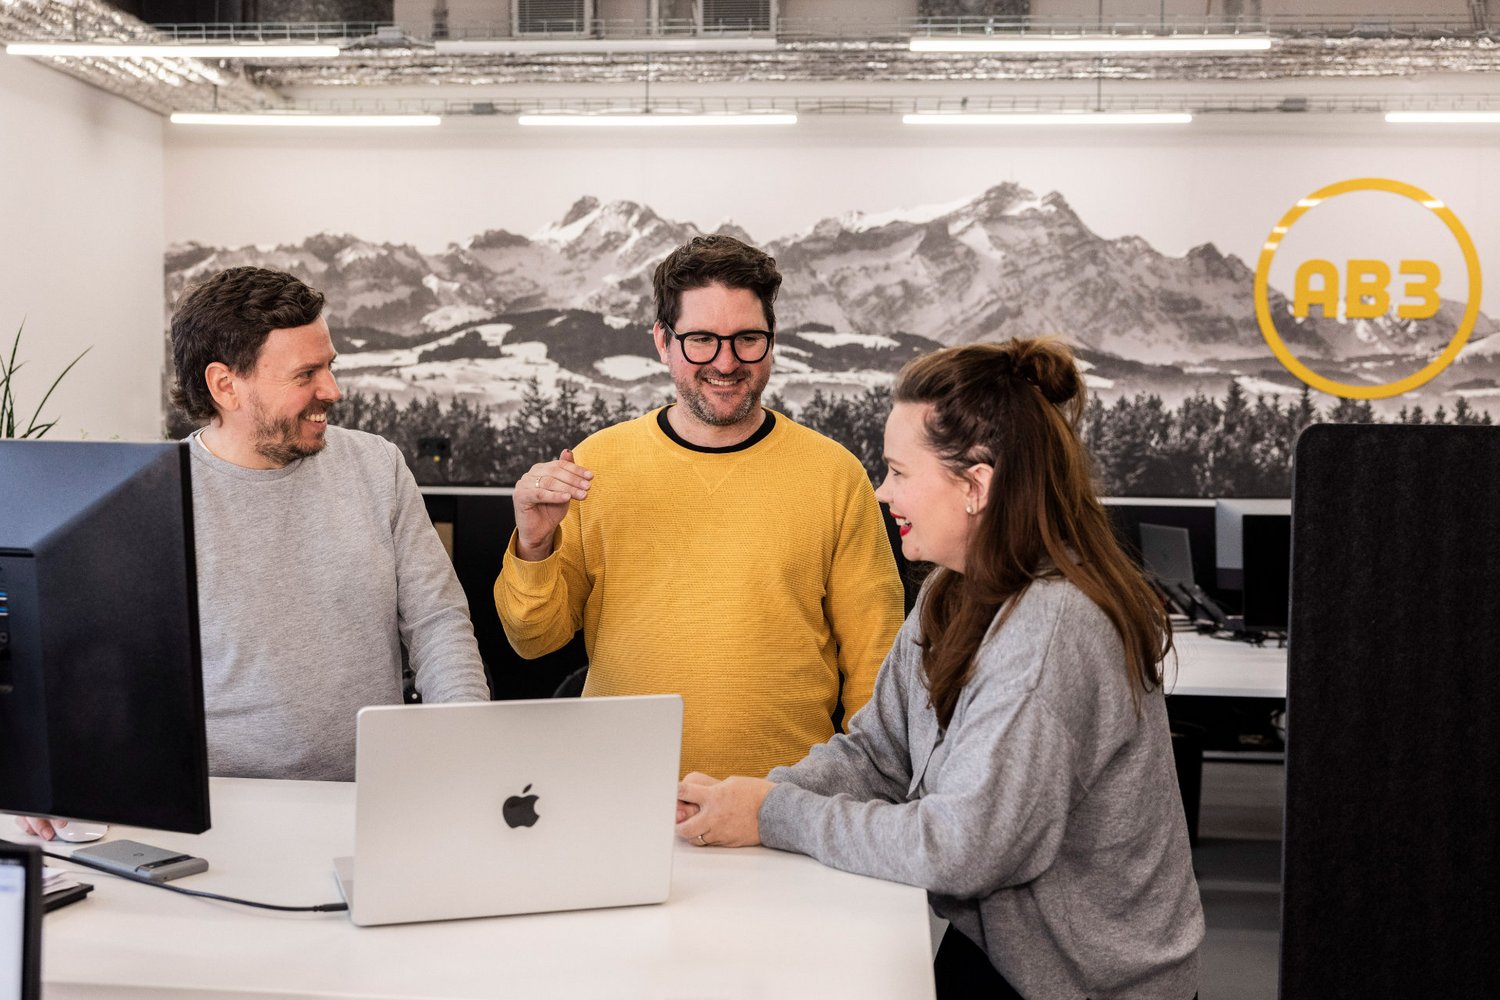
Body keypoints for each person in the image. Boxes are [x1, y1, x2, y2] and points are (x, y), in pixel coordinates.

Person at [674, 338, 1204, 1000]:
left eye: (898, 471)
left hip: (1083, 985)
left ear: (975, 486)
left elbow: (964, 848)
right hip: (1005, 951)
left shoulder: (1052, 634)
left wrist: (775, 814)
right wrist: (738, 801)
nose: (881, 489)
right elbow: (880, 753)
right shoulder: (952, 593)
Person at [17, 267, 489, 840]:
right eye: (305, 374)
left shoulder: (378, 467)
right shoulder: (149, 497)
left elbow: (438, 625)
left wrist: (467, 750)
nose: (332, 390)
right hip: (216, 814)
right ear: (225, 386)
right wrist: (46, 767)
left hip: (367, 802)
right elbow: (92, 669)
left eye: (330, 365)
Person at [494, 235, 904, 779]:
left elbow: (876, 662)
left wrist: (863, 793)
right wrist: (535, 543)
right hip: (620, 793)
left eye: (748, 339)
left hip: (785, 807)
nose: (727, 362)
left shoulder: (834, 475)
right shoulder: (597, 465)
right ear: (663, 341)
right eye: (703, 340)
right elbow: (533, 638)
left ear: (773, 340)